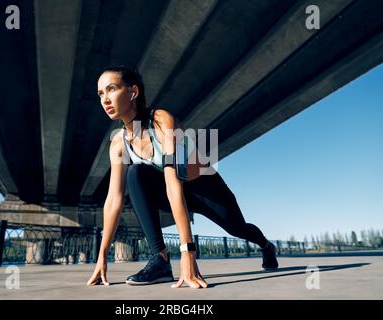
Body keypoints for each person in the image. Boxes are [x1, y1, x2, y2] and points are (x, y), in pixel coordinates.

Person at [86, 66, 278, 289]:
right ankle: (160, 260)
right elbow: (113, 200)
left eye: (111, 89)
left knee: (238, 228)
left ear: (133, 92)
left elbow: (173, 182)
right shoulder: (118, 143)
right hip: (171, 191)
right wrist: (101, 258)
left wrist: (188, 253)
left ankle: (266, 246)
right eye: (100, 93)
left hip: (205, 188)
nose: (105, 99)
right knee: (136, 173)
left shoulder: (161, 121)